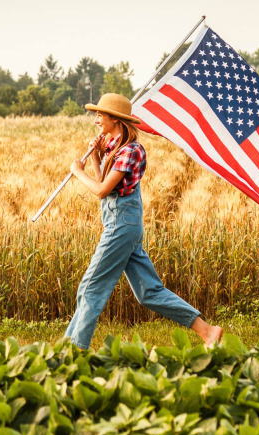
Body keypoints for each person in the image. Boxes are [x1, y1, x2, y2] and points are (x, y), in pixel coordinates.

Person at [64, 92, 223, 350]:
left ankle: (73, 349)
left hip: (120, 228)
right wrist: (95, 159)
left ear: (115, 119)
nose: (96, 119)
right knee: (148, 291)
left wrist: (77, 172)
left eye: (100, 115)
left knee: (91, 287)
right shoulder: (116, 149)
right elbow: (108, 184)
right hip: (123, 225)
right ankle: (207, 331)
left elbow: (102, 190)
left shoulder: (131, 151)